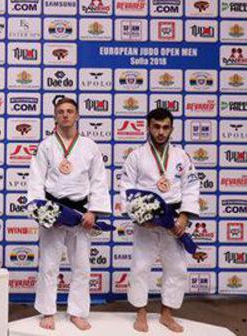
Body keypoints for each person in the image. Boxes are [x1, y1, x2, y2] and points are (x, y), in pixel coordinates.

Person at [27, 97, 110, 330]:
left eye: (70, 111)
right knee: (49, 265)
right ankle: (47, 311)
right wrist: (43, 211)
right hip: (53, 212)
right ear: (55, 116)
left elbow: (98, 181)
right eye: (61, 111)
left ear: (77, 116)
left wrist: (93, 211)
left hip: (80, 213)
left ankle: (77, 311)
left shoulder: (89, 146)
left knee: (82, 266)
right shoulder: (45, 146)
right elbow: (36, 181)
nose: (65, 115)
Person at [120, 108, 200, 333]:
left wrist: (184, 215)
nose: (161, 131)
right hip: (147, 222)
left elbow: (192, 186)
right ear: (148, 127)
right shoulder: (136, 156)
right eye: (156, 126)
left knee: (177, 268)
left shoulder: (182, 156)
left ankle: (167, 314)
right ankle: (141, 312)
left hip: (173, 221)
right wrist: (140, 217)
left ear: (172, 129)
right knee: (140, 267)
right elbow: (127, 189)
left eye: (165, 127)